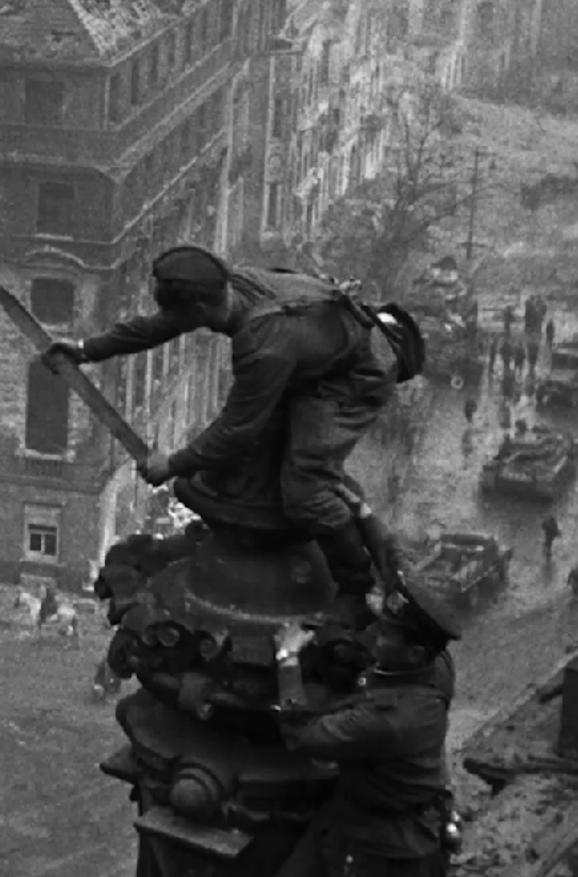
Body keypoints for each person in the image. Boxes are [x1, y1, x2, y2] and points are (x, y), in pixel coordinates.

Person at [45, 246, 398, 622]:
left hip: (354, 375)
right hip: (318, 356)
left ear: (199, 309)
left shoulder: (262, 345)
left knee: (306, 488)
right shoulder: (227, 286)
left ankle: (356, 586)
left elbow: (236, 430)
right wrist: (86, 349)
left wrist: (173, 464)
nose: (174, 321)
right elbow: (159, 326)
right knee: (253, 460)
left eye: (181, 314)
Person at [275, 574, 461, 877]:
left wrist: (288, 658)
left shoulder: (387, 720)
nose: (373, 634)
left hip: (383, 849)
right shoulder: (437, 667)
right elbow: (380, 667)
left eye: (385, 634)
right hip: (393, 812)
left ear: (414, 654)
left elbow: (301, 734)